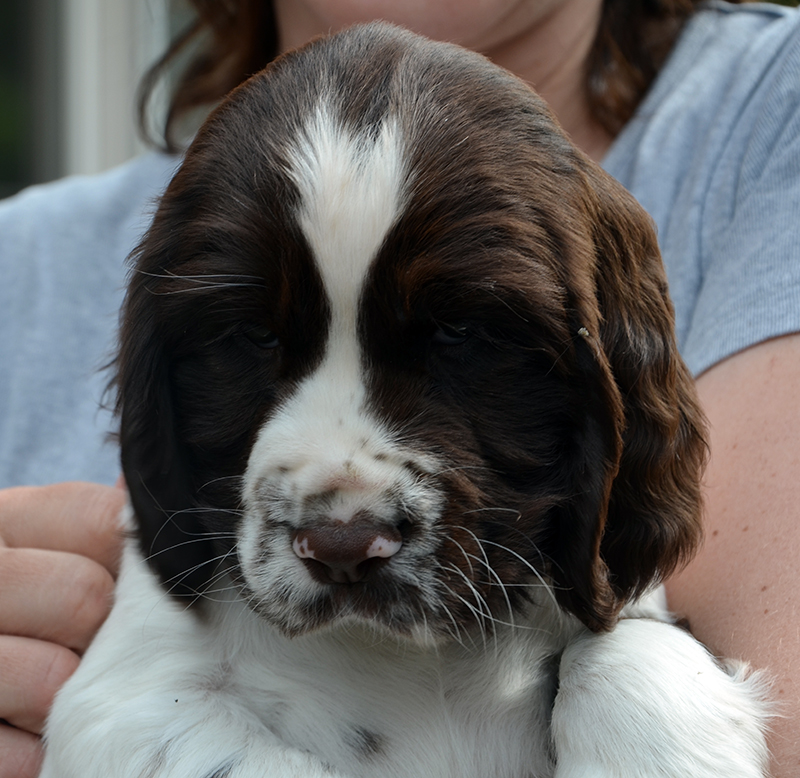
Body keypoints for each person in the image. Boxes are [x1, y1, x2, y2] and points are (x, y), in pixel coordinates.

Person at [1, 0, 799, 775]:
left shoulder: (768, 115)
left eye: (463, 339)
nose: (344, 519)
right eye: (254, 340)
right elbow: (116, 729)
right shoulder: (36, 261)